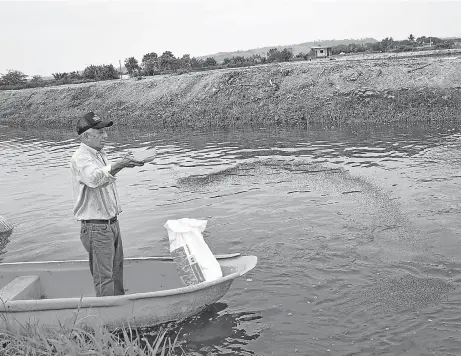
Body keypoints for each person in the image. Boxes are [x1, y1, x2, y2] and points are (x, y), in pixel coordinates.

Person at [70, 111, 145, 297]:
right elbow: (95, 179)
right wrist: (119, 164)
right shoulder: (81, 157)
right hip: (96, 227)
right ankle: (108, 321)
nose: (106, 135)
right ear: (86, 136)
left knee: (117, 271)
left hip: (111, 223)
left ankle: (119, 312)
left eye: (105, 131)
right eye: (100, 132)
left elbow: (105, 178)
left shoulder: (99, 154)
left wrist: (123, 163)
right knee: (104, 277)